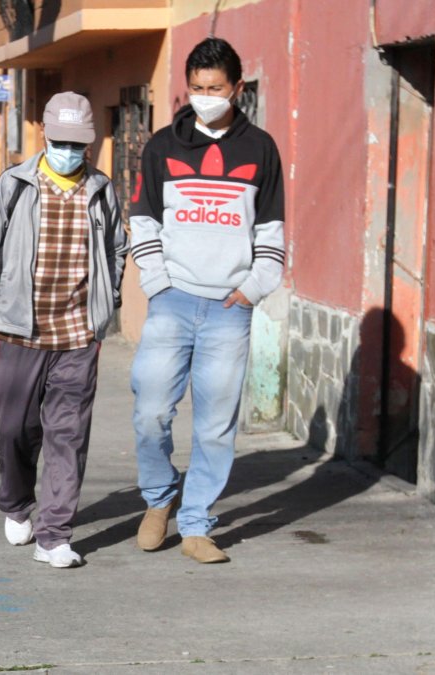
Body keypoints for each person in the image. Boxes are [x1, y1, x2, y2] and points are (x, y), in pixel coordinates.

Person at [0, 92, 128, 568]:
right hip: (15, 332)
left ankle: (55, 535)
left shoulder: (101, 189)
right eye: (62, 140)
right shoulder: (14, 185)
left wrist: (105, 307)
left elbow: (117, 248)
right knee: (14, 430)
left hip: (76, 336)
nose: (70, 150)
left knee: (67, 435)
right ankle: (15, 501)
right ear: (46, 136)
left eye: (78, 142)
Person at [128, 37, 286, 564]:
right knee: (150, 412)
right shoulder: (162, 146)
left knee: (216, 424)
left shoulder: (260, 148)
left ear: (236, 88)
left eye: (215, 88)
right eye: (196, 88)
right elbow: (144, 220)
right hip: (172, 301)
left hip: (228, 307)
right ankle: (159, 498)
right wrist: (157, 282)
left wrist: (253, 288)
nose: (205, 96)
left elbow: (271, 229)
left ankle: (196, 523)